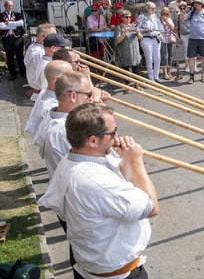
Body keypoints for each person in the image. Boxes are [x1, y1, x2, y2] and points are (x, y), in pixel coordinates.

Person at [39, 103, 158, 279]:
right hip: (118, 275)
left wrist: (125, 158)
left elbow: (119, 179)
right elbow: (151, 207)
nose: (117, 136)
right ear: (92, 140)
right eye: (112, 133)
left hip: (96, 267)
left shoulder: (72, 160)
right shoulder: (94, 180)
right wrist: (138, 163)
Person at [35, 71, 94, 176]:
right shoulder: (66, 128)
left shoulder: (51, 118)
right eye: (89, 95)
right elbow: (94, 163)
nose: (91, 99)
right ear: (73, 96)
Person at [24, 60, 73, 135]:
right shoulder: (50, 106)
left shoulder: (44, 93)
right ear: (56, 79)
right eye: (70, 76)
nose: (74, 79)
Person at [182, 0, 204, 84]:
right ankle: (191, 76)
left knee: (203, 57)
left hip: (203, 38)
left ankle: (203, 74)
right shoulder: (191, 13)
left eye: (198, 4)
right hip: (192, 38)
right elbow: (182, 19)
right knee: (191, 57)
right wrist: (184, 10)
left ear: (202, 5)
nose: (196, 5)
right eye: (195, 4)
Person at [24, 24, 56, 100]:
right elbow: (36, 74)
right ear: (43, 36)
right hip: (43, 94)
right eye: (53, 36)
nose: (56, 38)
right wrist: (36, 89)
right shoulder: (39, 52)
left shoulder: (34, 47)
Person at [114, 10, 142, 89]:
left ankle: (137, 84)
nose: (129, 19)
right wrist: (124, 32)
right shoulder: (119, 27)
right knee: (125, 70)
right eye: (127, 17)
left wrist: (138, 32)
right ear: (122, 18)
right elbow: (118, 40)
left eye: (130, 17)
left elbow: (141, 38)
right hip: (125, 51)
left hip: (134, 51)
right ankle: (127, 86)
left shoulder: (134, 26)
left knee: (136, 69)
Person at [136, 2, 162, 82]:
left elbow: (157, 27)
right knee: (149, 58)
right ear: (147, 8)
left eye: (154, 8)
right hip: (146, 38)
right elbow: (137, 28)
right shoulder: (141, 17)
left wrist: (160, 34)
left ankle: (156, 76)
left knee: (157, 58)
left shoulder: (154, 16)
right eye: (152, 8)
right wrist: (144, 30)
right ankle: (151, 77)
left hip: (156, 38)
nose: (153, 10)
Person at [1, 0, 27, 80]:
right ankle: (13, 74)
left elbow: (21, 23)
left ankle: (23, 72)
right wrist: (13, 24)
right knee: (9, 56)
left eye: (11, 5)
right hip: (7, 38)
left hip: (17, 38)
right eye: (8, 5)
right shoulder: (1, 15)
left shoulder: (17, 14)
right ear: (4, 6)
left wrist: (8, 24)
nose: (9, 7)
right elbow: (1, 26)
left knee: (20, 56)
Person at [158, 7, 175, 80]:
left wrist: (166, 21)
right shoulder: (158, 20)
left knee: (170, 57)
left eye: (167, 13)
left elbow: (172, 28)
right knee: (164, 56)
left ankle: (169, 72)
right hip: (163, 40)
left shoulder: (169, 19)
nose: (165, 15)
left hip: (169, 39)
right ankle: (164, 73)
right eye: (163, 13)